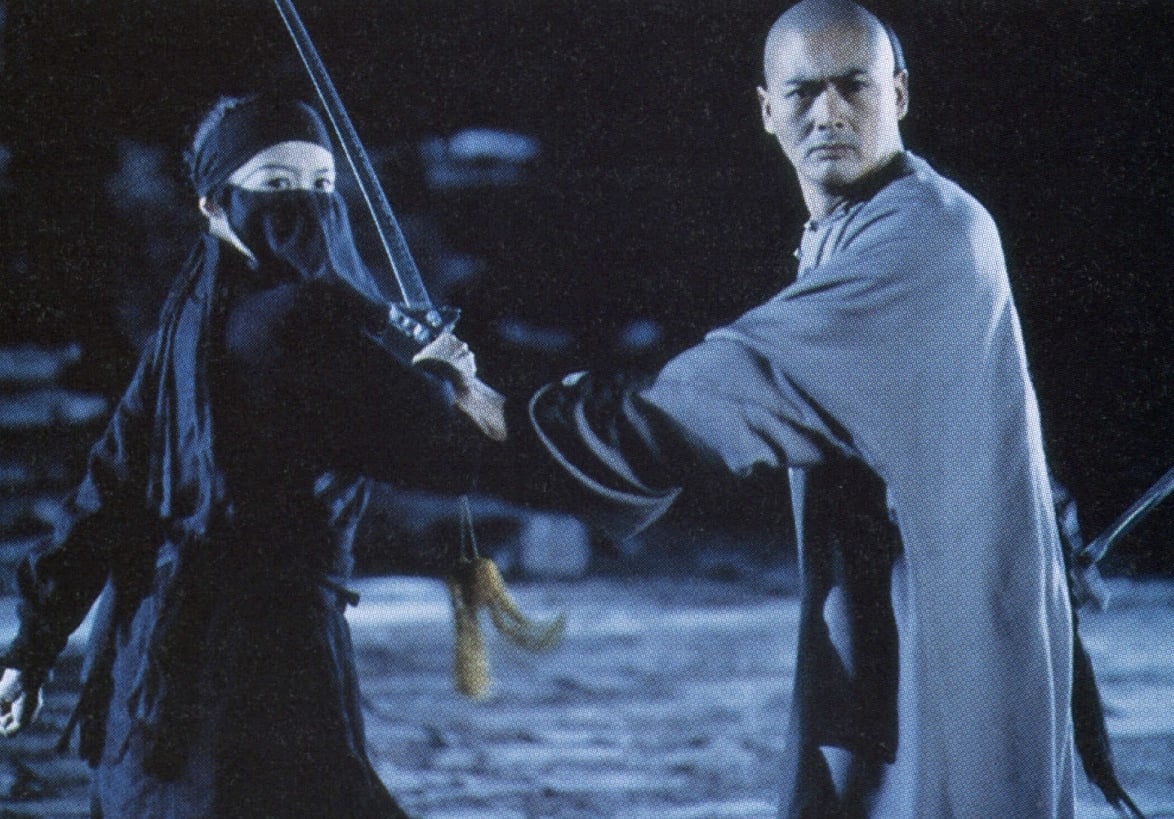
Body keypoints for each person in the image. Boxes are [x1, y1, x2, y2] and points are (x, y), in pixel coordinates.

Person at [512, 1, 1090, 815]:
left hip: (950, 625)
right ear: (766, 110)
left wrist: (533, 424)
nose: (829, 113)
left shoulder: (927, 233)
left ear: (899, 93)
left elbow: (745, 381)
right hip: (890, 609)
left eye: (855, 86)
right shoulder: (854, 228)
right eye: (803, 92)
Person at [0, 95, 487, 817]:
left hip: (155, 664)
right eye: (277, 183)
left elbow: (109, 487)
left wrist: (32, 648)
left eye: (323, 184)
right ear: (213, 201)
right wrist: (448, 381)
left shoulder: (190, 317)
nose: (308, 204)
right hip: (267, 660)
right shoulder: (299, 319)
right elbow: (442, 457)